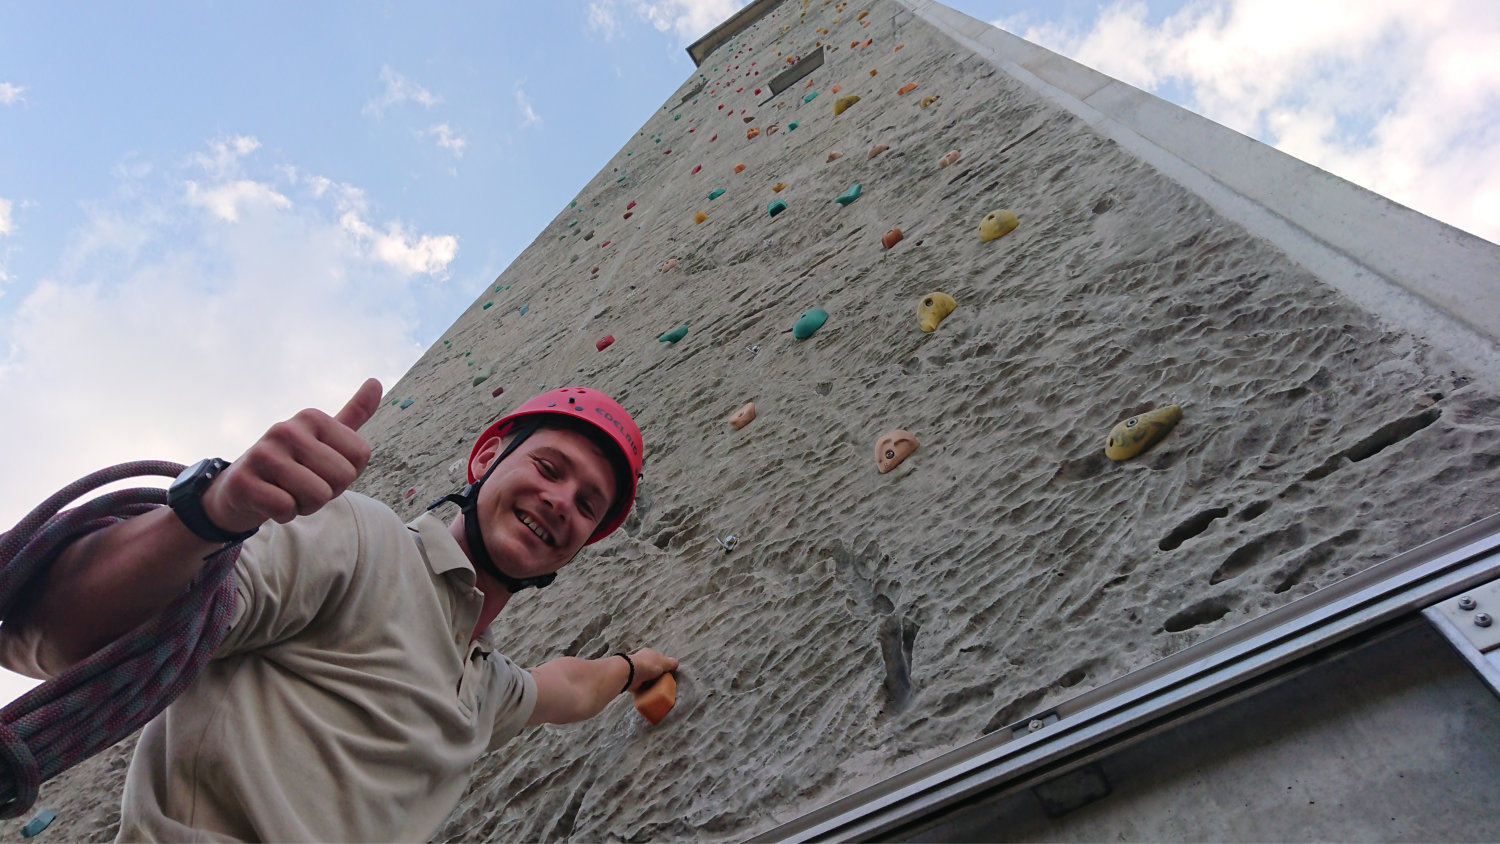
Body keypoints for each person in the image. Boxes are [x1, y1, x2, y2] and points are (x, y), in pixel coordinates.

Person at [0, 379, 678, 842]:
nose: (563, 502)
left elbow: (565, 688)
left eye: (588, 505)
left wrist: (632, 666)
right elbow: (55, 638)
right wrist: (209, 518)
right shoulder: (358, 541)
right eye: (551, 469)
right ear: (486, 459)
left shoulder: (484, 686)